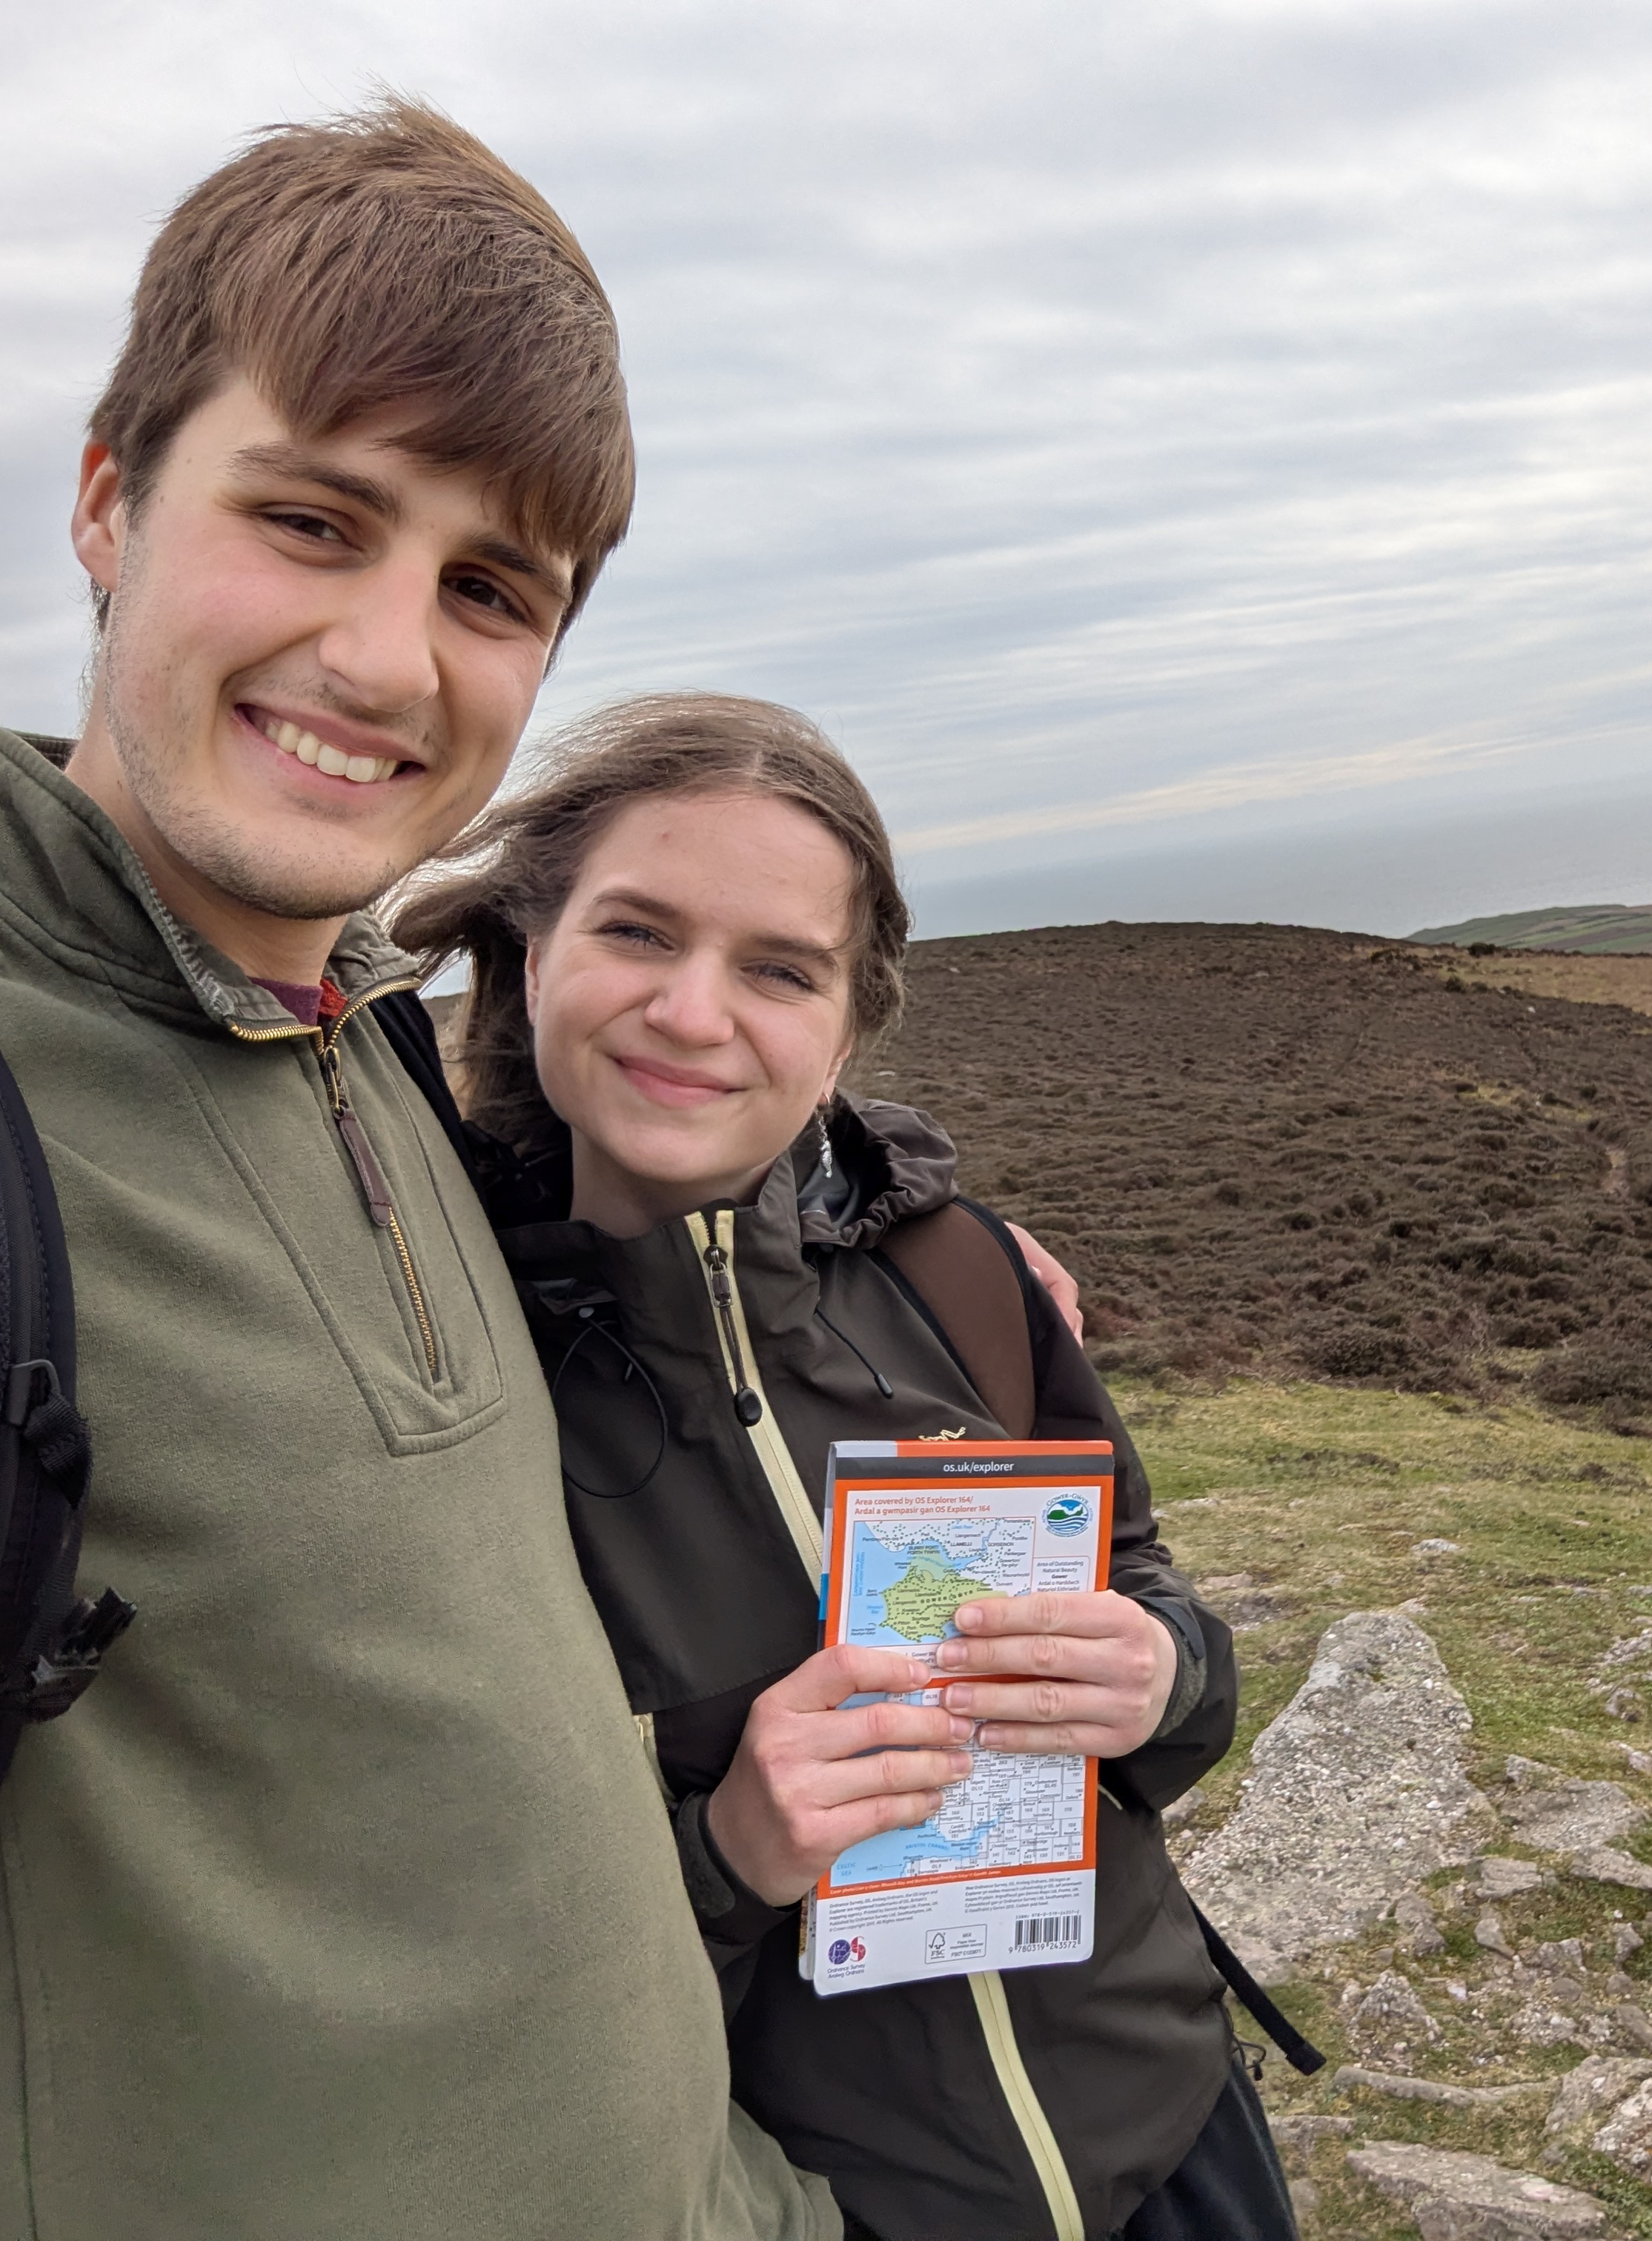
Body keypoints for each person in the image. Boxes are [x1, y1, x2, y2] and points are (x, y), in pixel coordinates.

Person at [0, 104, 840, 2238]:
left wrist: (905, 1235)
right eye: (310, 520)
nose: (388, 659)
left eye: (489, 588)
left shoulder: (367, 1041)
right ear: (107, 504)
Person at [392, 694, 1303, 2241]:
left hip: (1175, 2140)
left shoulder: (964, 1282)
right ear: (534, 955)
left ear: (846, 1027)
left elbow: (1156, 1609)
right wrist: (729, 1852)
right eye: (636, 933)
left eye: (778, 969)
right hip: (826, 2204)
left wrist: (1157, 1678)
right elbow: (444, 1923)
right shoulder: (447, 1385)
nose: (696, 1013)